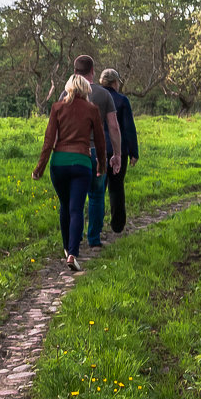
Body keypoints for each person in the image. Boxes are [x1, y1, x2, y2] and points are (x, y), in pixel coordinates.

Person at [33, 74, 107, 271]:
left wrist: (39, 169)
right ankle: (72, 253)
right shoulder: (92, 109)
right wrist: (101, 166)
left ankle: (67, 248)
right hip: (82, 164)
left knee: (65, 206)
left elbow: (49, 141)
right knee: (76, 208)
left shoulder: (57, 108)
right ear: (86, 90)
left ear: (68, 88)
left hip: (59, 164)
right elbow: (100, 142)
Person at [72, 55, 120, 248]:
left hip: (75, 153)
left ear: (75, 72)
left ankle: (74, 238)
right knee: (97, 195)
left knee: (76, 198)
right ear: (93, 71)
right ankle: (94, 238)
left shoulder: (65, 94)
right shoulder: (103, 95)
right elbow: (114, 127)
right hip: (97, 153)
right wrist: (117, 154)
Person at [98, 68, 138, 233]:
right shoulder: (122, 100)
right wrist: (134, 152)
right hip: (118, 150)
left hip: (98, 148)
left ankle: (96, 227)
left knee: (98, 190)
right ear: (115, 82)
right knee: (116, 188)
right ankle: (117, 225)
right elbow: (128, 128)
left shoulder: (95, 98)